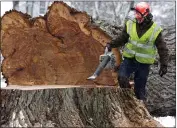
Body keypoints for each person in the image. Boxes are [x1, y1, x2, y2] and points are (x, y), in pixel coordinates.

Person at [107, 2, 169, 101]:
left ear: (146, 15)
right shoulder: (130, 23)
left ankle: (141, 106)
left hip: (144, 64)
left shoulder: (155, 30)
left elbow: (162, 49)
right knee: (122, 78)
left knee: (140, 89)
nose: (136, 16)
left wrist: (164, 65)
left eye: (138, 14)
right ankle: (128, 101)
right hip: (129, 59)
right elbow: (123, 38)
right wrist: (112, 44)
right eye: (135, 13)